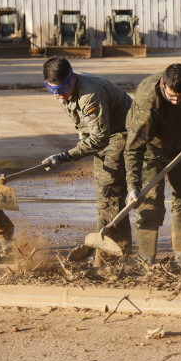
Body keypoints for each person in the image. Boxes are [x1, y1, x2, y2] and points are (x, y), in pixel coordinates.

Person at [42, 57, 134, 265]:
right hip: (106, 134)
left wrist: (66, 156)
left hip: (123, 133)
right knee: (104, 194)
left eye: (63, 88)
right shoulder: (65, 92)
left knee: (110, 191)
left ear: (72, 77)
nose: (59, 95)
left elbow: (100, 138)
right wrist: (80, 145)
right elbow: (86, 128)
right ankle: (107, 247)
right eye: (52, 89)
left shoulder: (89, 96)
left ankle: (116, 256)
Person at [125, 63, 181, 270]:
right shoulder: (148, 99)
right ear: (163, 84)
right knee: (150, 202)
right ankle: (146, 260)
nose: (176, 101)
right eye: (171, 96)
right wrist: (132, 187)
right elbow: (133, 148)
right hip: (150, 146)